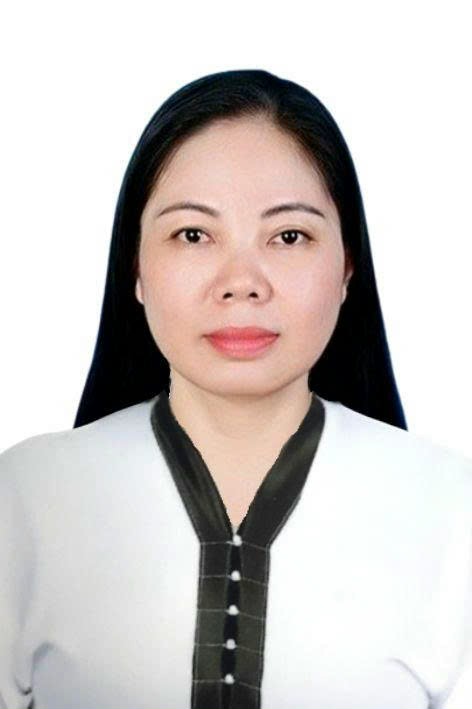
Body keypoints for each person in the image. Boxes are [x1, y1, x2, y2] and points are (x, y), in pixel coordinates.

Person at [0, 69, 471, 709]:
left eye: (289, 236)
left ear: (347, 268)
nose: (242, 281)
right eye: (193, 235)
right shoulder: (24, 498)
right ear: (135, 267)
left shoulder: (453, 509)